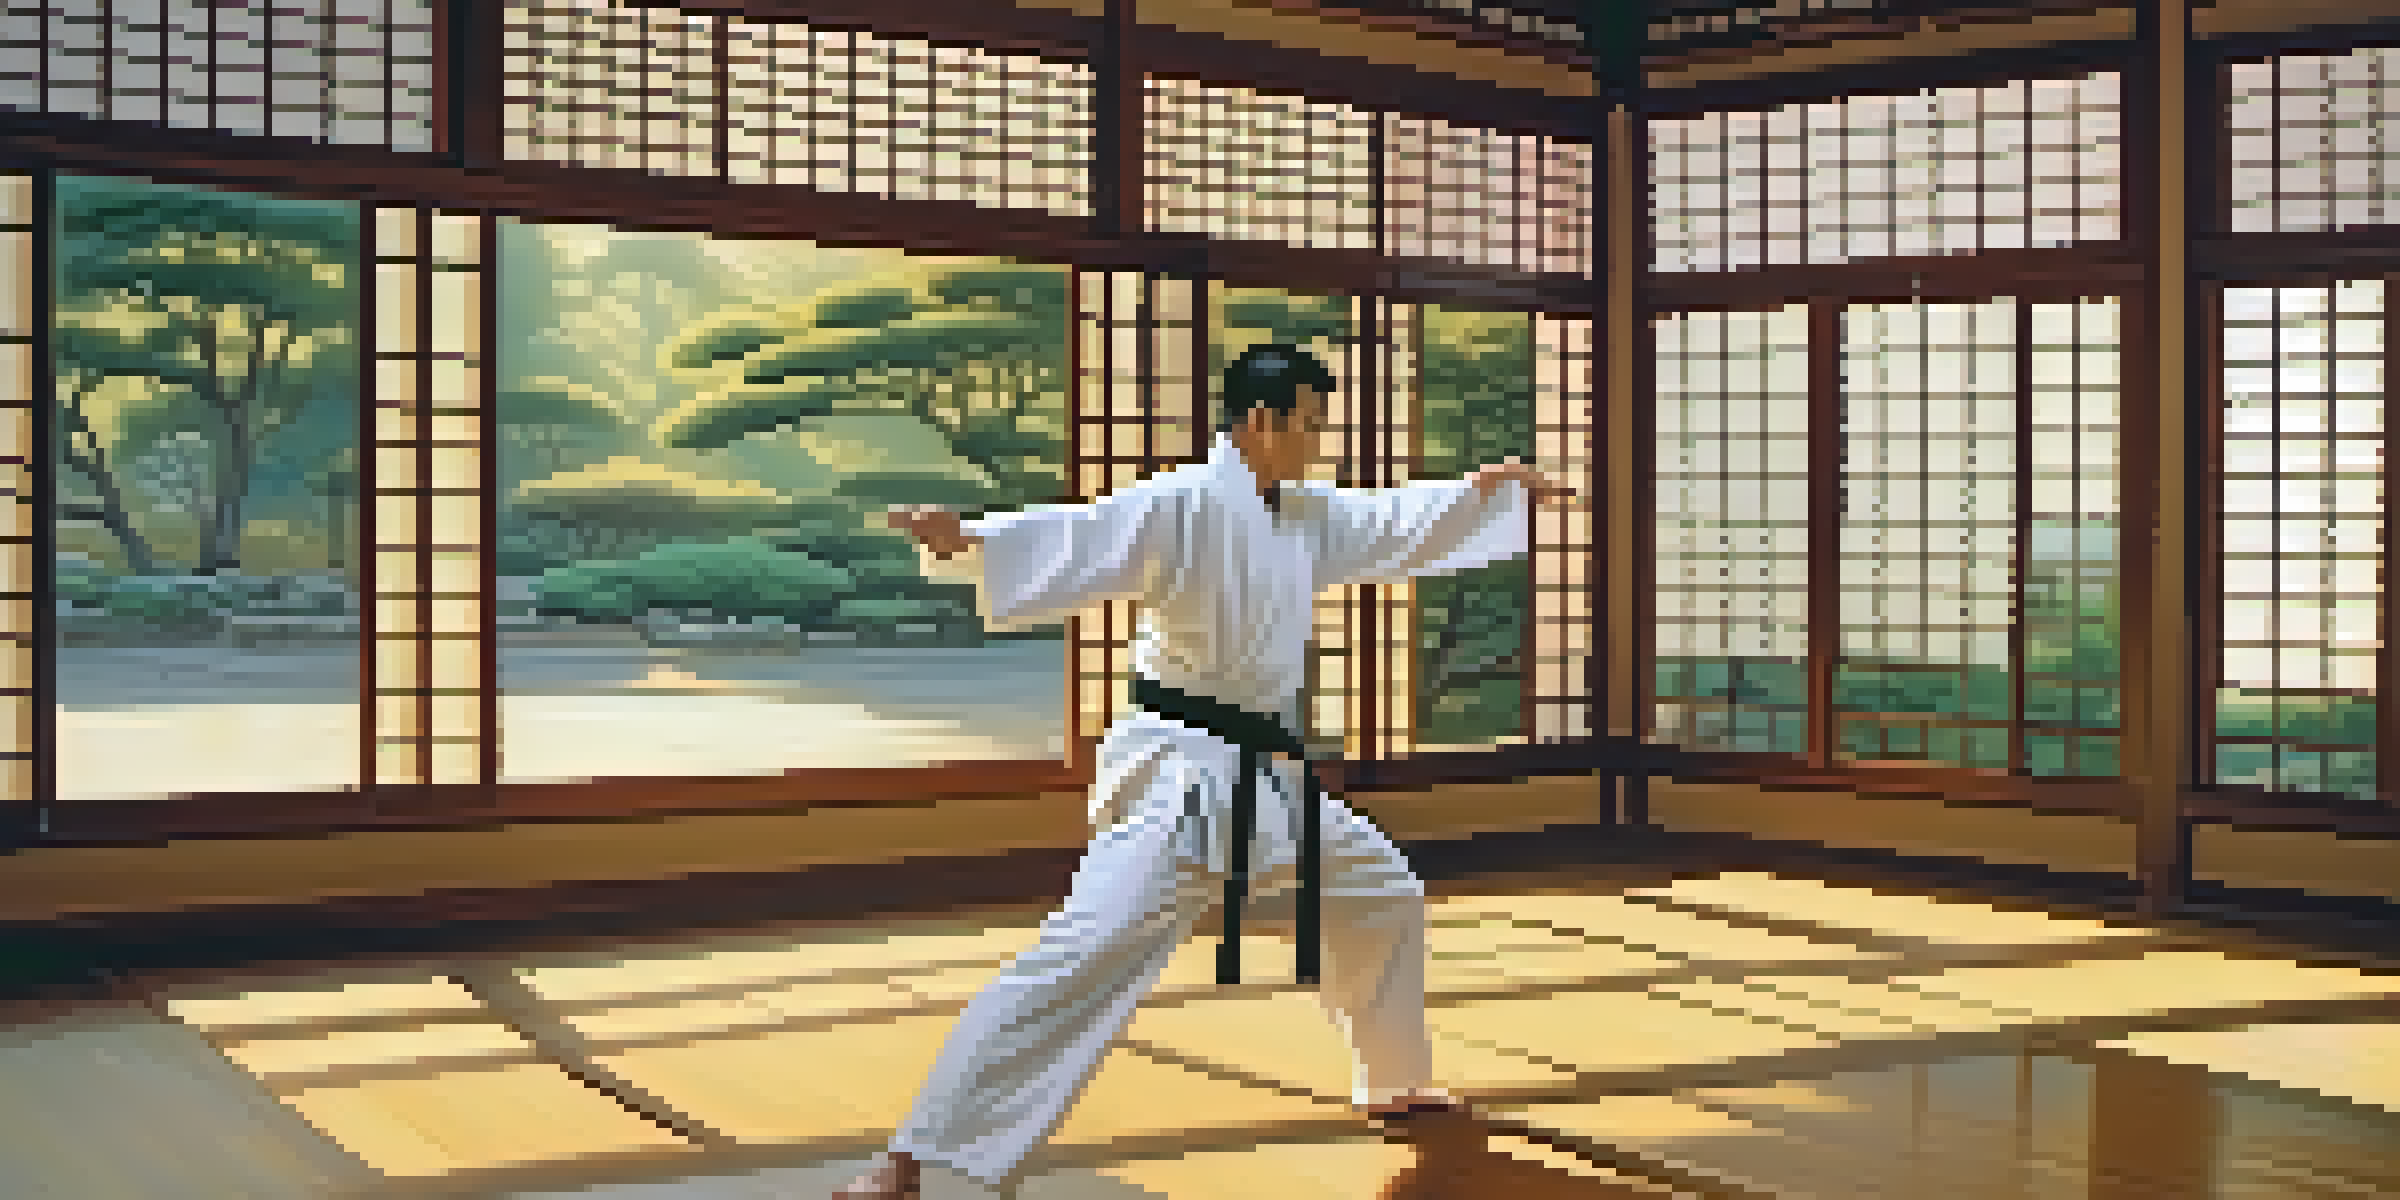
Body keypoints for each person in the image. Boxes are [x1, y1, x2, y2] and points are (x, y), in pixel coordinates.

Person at [841, 343, 1575, 1198]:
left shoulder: (1305, 515)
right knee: (1082, 957)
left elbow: (1392, 524)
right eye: (1308, 424)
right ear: (1261, 421)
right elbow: (1082, 535)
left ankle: (1394, 1081)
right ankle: (910, 1157)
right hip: (1181, 775)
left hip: (1265, 773)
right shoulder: (1180, 503)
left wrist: (1485, 494)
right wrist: (970, 539)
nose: (1319, 441)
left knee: (1381, 893)